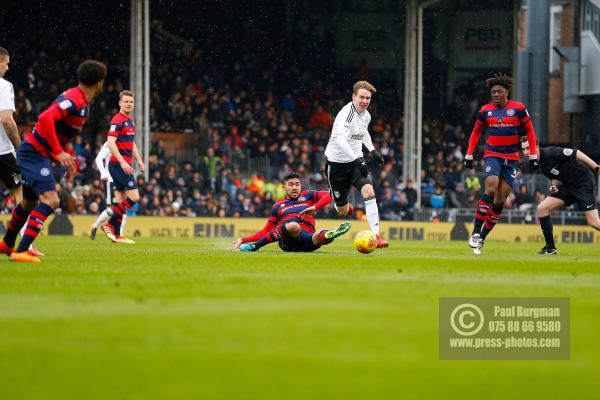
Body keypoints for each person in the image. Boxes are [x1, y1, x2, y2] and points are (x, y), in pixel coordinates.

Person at [0, 59, 106, 262]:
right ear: (100, 83)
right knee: (52, 200)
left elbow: (61, 131)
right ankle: (21, 251)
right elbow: (45, 118)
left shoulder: (80, 101)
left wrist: (66, 153)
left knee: (28, 203)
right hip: (33, 154)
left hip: (35, 154)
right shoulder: (75, 100)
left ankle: (7, 244)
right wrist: (58, 152)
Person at [463, 73, 538, 254]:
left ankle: (481, 237)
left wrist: (533, 155)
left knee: (500, 201)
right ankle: (474, 233)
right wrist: (469, 154)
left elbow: (530, 131)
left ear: (507, 92)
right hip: (492, 155)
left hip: (512, 159)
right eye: (493, 92)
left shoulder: (519, 109)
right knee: (490, 188)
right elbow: (475, 133)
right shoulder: (485, 111)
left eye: (499, 91)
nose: (495, 94)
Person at [323, 80, 389, 247]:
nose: (365, 101)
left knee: (368, 191)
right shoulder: (347, 113)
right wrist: (357, 159)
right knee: (343, 211)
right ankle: (335, 193)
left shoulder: (366, 115)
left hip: (354, 162)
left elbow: (363, 131)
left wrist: (372, 151)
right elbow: (340, 140)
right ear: (354, 96)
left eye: (368, 98)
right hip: (337, 165)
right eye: (362, 97)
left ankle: (376, 237)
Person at [232, 172, 351, 252]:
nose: (294, 187)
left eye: (297, 184)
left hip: (307, 240)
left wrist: (315, 207)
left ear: (300, 186)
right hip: (287, 241)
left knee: (319, 235)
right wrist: (243, 239)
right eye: (291, 184)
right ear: (284, 187)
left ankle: (327, 235)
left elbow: (330, 195)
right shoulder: (278, 205)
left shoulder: (308, 196)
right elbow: (266, 231)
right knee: (294, 225)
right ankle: (254, 246)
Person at [0, 47, 45, 258]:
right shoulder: (3, 85)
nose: (8, 67)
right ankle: (23, 245)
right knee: (23, 197)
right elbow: (7, 120)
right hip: (3, 152)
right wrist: (20, 148)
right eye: (6, 63)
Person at [521, 137, 600, 255]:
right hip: (568, 186)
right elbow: (554, 175)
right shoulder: (537, 163)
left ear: (536, 147)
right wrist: (554, 185)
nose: (526, 152)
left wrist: (595, 167)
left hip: (583, 183)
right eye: (523, 149)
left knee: (593, 222)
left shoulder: (550, 152)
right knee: (542, 209)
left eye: (528, 148)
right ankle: (550, 248)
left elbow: (576, 153)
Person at [101, 90, 144, 244]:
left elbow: (131, 143)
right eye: (126, 101)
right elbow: (111, 143)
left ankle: (117, 235)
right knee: (134, 197)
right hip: (118, 166)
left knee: (121, 199)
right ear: (120, 103)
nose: (129, 104)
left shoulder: (130, 121)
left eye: (131, 102)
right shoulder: (117, 120)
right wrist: (122, 162)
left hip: (123, 165)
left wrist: (139, 160)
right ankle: (109, 224)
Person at [89, 141, 127, 239]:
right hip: (111, 179)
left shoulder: (126, 141)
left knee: (119, 208)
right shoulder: (111, 142)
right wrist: (103, 173)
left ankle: (100, 227)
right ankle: (117, 234)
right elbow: (98, 158)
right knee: (115, 208)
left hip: (121, 179)